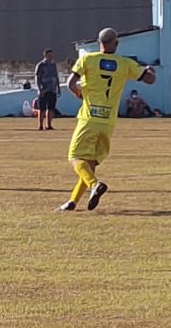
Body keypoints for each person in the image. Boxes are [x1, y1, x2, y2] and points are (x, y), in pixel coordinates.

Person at [57, 27, 155, 212]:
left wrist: (80, 94)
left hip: (89, 117)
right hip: (108, 121)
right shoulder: (125, 63)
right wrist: (150, 70)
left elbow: (71, 83)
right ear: (116, 44)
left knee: (75, 157)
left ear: (98, 42)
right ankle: (72, 202)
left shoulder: (87, 59)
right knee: (90, 163)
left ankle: (94, 185)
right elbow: (149, 79)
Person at [34, 48, 61, 130]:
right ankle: (40, 125)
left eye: (51, 55)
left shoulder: (53, 65)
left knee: (51, 108)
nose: (50, 57)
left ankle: (48, 125)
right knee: (42, 108)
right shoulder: (41, 65)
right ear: (45, 55)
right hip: (44, 89)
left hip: (52, 89)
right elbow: (37, 78)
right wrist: (39, 89)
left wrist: (58, 87)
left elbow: (56, 76)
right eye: (49, 55)